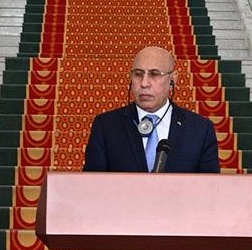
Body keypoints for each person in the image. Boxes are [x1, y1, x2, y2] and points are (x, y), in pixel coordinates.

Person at [83, 46, 220, 173]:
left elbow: (211, 188)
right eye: (138, 74)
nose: (144, 83)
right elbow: (91, 186)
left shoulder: (200, 129)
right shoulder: (106, 126)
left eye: (154, 74)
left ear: (173, 80)